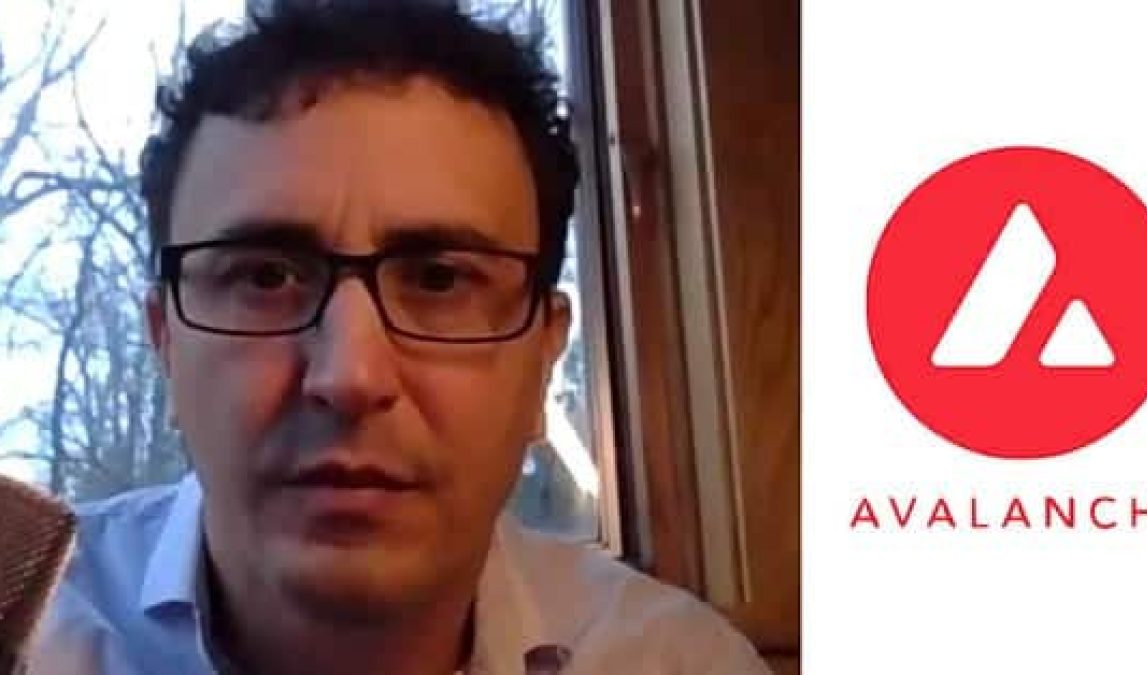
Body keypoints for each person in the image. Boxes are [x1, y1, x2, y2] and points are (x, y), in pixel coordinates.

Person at [27, 1, 771, 673]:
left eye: (440, 280)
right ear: (165, 341)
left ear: (545, 357)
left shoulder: (678, 662)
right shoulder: (30, 634)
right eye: (264, 276)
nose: (350, 376)